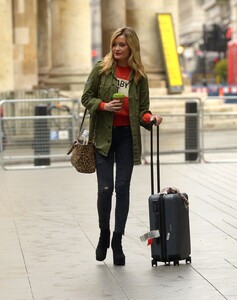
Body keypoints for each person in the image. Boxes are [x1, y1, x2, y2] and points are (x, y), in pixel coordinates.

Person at [81, 27, 162, 266]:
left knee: (123, 188)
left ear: (131, 48)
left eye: (122, 45)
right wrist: (105, 106)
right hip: (103, 137)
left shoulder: (139, 76)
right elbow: (86, 98)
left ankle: (117, 240)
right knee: (105, 188)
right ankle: (103, 233)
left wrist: (151, 119)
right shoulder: (101, 69)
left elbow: (142, 111)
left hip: (127, 136)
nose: (117, 48)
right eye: (114, 44)